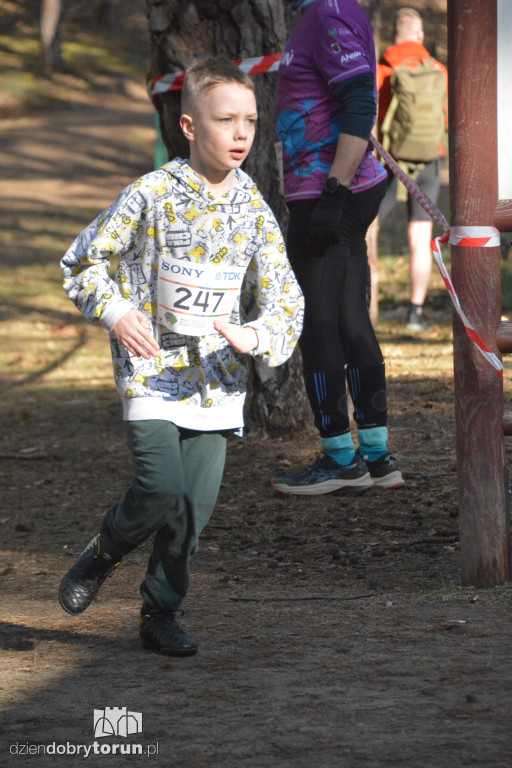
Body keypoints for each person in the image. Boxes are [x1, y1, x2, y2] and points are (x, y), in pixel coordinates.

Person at [58, 56, 304, 656]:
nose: (242, 133)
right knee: (160, 487)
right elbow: (82, 260)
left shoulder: (254, 208)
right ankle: (103, 553)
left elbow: (286, 298)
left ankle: (159, 613)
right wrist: (117, 313)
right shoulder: (151, 192)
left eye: (250, 120)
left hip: (216, 384)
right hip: (150, 372)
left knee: (191, 512)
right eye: (226, 120)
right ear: (190, 126)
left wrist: (259, 335)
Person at [271, 0, 403, 496]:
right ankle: (376, 456)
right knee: (348, 317)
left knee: (319, 321)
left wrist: (333, 191)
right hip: (333, 187)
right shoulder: (326, 11)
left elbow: (360, 103)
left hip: (327, 191)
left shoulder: (328, 12)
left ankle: (340, 459)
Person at [377, 7, 448, 332]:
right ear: (420, 35)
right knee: (420, 235)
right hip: (430, 158)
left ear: (395, 35)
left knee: (366, 230)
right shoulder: (439, 70)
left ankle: (365, 303)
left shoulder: (382, 71)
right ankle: (415, 313)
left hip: (389, 159)